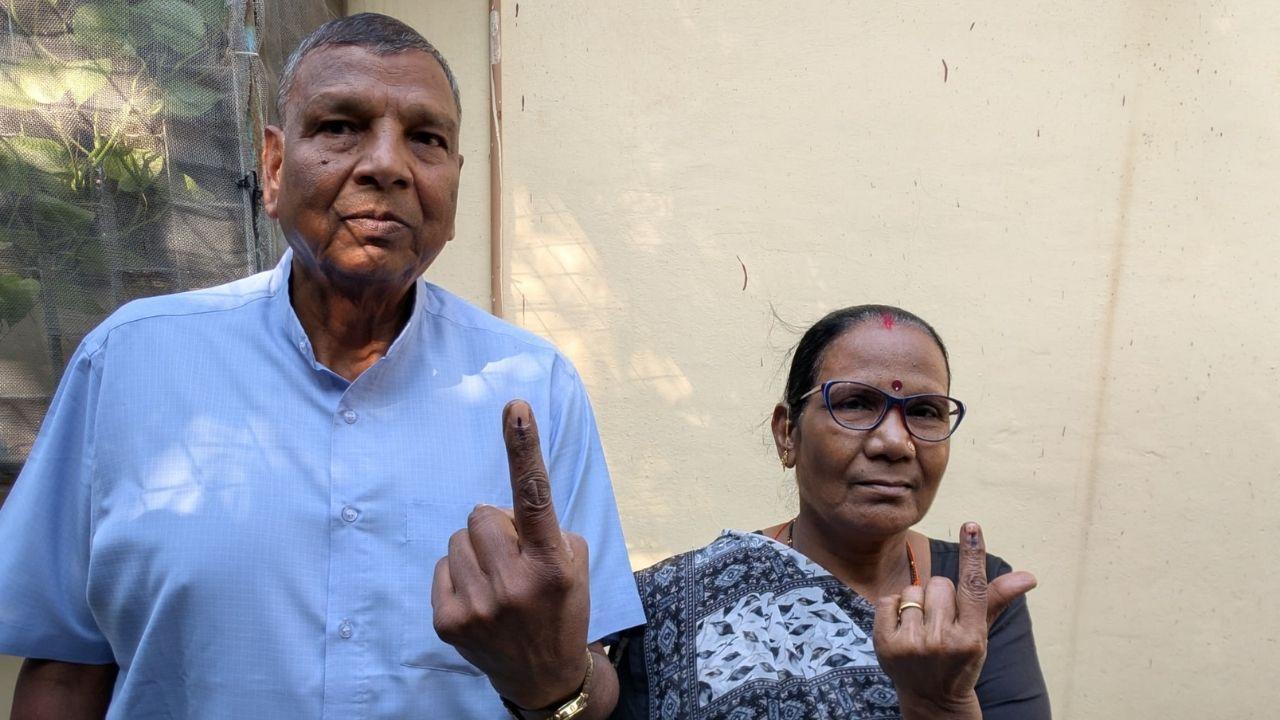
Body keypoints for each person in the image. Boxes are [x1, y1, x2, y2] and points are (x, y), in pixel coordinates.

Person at [0, 13, 642, 718]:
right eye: (340, 126)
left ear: (454, 187)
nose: (388, 165)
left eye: (426, 139)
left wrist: (551, 678)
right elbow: (65, 674)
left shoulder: (536, 387)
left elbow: (598, 672)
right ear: (273, 166)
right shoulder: (126, 365)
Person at [609, 305, 1051, 719]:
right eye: (856, 403)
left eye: (925, 411)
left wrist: (941, 704)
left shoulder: (976, 599)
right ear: (787, 434)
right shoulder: (674, 598)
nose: (896, 443)